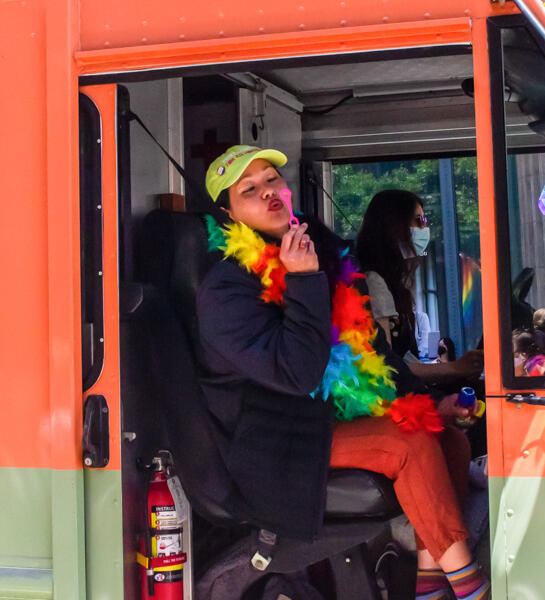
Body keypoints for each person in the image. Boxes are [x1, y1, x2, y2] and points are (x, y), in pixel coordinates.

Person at [196, 146, 489, 600]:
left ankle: (430, 587)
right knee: (408, 444)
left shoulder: (320, 252)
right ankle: (471, 588)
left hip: (322, 419)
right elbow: (297, 373)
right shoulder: (226, 287)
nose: (267, 193)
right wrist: (305, 281)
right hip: (275, 440)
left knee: (444, 434)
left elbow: (371, 351)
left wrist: (430, 404)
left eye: (271, 179)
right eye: (249, 190)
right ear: (228, 213)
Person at [355, 189, 483, 385]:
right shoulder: (374, 283)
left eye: (425, 220)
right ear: (394, 226)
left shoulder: (396, 283)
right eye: (418, 220)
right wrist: (454, 368)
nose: (425, 227)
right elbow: (387, 366)